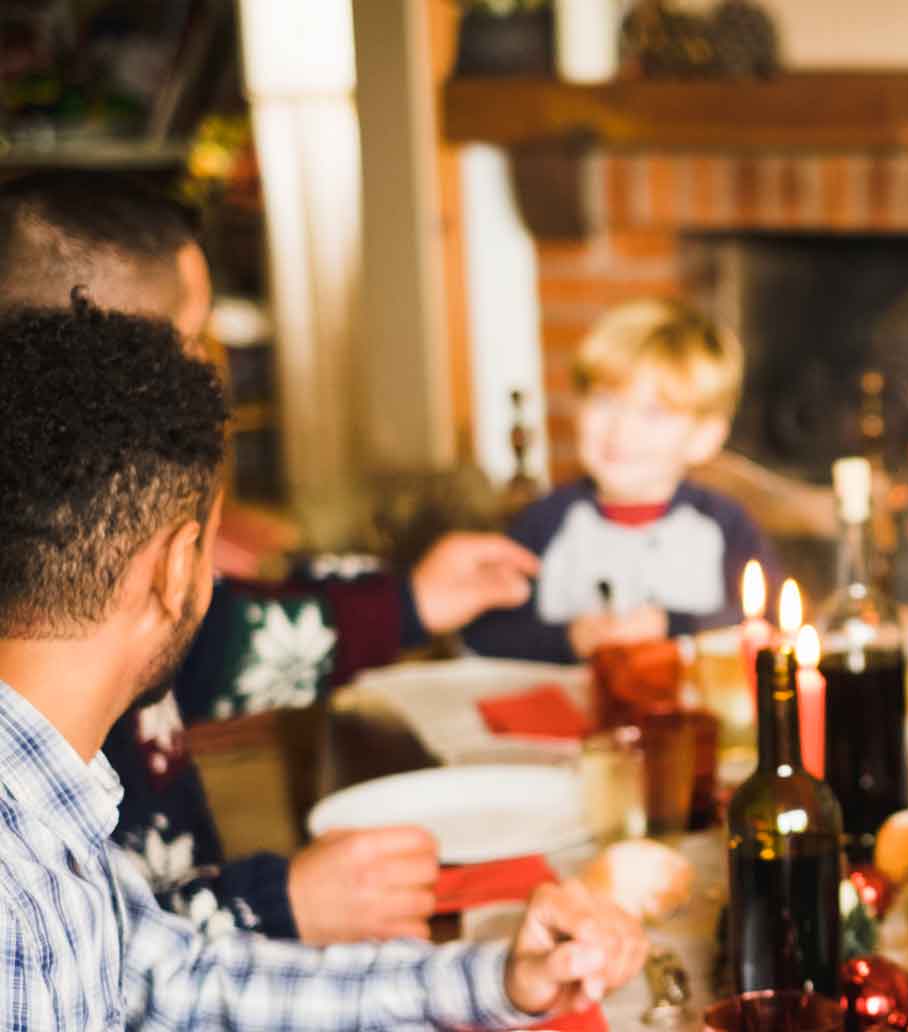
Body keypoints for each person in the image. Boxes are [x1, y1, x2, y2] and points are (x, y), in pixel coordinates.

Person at [0, 299, 645, 1027]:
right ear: (176, 569)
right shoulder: (15, 897)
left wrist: (495, 981)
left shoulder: (62, 799)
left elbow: (175, 982)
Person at [0, 169, 541, 944]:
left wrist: (409, 604)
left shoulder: (104, 581)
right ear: (97, 357)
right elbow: (81, 952)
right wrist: (270, 904)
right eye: (193, 338)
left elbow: (204, 638)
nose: (211, 364)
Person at [464, 298, 781, 664]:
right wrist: (568, 639)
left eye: (654, 412)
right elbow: (483, 632)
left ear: (704, 438)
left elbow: (766, 621)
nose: (621, 429)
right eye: (605, 401)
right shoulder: (544, 522)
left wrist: (672, 625)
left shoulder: (726, 525)